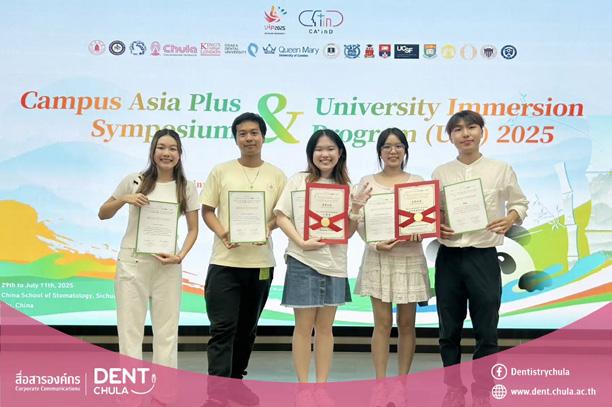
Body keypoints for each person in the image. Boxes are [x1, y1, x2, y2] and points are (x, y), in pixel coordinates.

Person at [432, 110, 528, 406]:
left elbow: (520, 202)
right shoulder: (440, 173)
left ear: (481, 132)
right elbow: (432, 213)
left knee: (486, 328)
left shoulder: (500, 169)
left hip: (483, 256)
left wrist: (510, 218)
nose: (465, 134)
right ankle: (453, 387)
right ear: (450, 137)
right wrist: (436, 223)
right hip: (448, 257)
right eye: (458, 129)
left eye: (471, 127)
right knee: (448, 328)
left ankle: (483, 389)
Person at [273, 129, 371, 390]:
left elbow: (346, 233)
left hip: (334, 264)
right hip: (302, 260)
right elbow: (281, 216)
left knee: (326, 328)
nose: (324, 154)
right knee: (303, 328)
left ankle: (322, 387)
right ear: (311, 153)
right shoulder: (298, 180)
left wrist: (356, 208)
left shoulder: (347, 188)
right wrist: (301, 242)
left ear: (340, 153)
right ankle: (304, 388)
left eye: (330, 149)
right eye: (319, 149)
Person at [200, 112, 286, 406]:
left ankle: (236, 383)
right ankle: (216, 394)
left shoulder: (276, 175)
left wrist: (267, 228)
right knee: (223, 329)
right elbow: (207, 210)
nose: (249, 138)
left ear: (263, 136)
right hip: (225, 262)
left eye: (254, 132)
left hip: (260, 264)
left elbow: (280, 215)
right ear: (236, 138)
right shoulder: (221, 171)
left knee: (247, 330)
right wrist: (223, 232)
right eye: (242, 133)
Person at [98, 128, 199, 369]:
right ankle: (130, 388)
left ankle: (165, 389)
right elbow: (103, 213)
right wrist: (124, 199)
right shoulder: (134, 181)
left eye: (172, 149)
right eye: (161, 148)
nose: (166, 153)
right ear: (153, 151)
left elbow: (193, 229)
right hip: (132, 264)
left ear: (179, 154)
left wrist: (179, 256)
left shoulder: (186, 187)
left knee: (167, 332)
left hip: (167, 265)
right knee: (129, 331)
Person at [354, 128, 433, 381]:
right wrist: (374, 244)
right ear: (379, 152)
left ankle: (402, 382)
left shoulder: (417, 182)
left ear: (405, 151)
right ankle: (380, 383)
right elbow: (358, 221)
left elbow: (426, 220)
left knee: (407, 324)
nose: (393, 151)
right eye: (387, 146)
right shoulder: (366, 182)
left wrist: (421, 232)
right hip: (378, 259)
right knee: (382, 324)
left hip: (409, 258)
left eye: (398, 146)